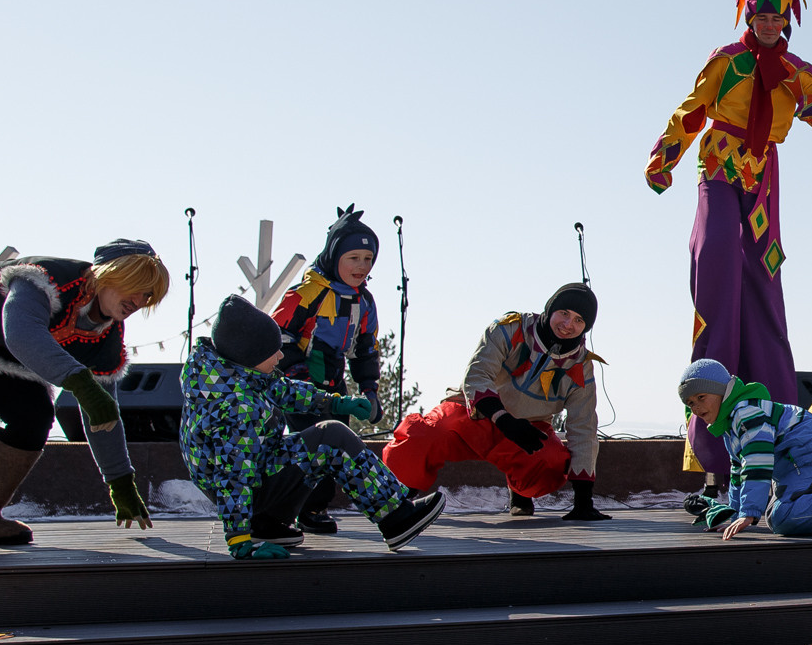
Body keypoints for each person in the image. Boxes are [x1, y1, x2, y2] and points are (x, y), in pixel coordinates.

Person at [646, 0, 812, 480]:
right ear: (749, 20)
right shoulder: (727, 60)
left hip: (762, 179)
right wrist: (663, 159)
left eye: (778, 19)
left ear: (788, 23)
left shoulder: (795, 71)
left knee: (763, 285)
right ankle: (710, 446)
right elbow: (692, 112)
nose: (770, 25)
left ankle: (777, 432)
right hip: (719, 164)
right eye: (762, 18)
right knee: (717, 262)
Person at [0, 239, 167, 544]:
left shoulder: (105, 337)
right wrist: (82, 385)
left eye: (148, 295)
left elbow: (103, 416)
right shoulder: (46, 279)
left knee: (34, 414)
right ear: (107, 274)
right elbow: (22, 334)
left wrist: (121, 482)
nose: (141, 300)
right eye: (136, 286)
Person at [181, 296, 443, 559]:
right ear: (251, 355)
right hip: (244, 490)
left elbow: (283, 390)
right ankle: (395, 516)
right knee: (331, 438)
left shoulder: (230, 376)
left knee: (314, 442)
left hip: (254, 484)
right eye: (273, 352)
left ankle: (267, 523)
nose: (281, 355)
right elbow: (233, 477)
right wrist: (239, 542)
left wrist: (337, 403)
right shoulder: (235, 406)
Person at [382, 283, 610, 521]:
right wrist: (502, 419)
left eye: (579, 321)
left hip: (526, 432)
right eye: (564, 313)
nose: (568, 325)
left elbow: (583, 426)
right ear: (550, 309)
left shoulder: (581, 366)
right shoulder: (510, 329)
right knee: (420, 435)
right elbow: (477, 375)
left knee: (551, 465)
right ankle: (399, 499)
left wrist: (584, 500)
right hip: (472, 415)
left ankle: (520, 492)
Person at [271, 205, 382, 534]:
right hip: (300, 383)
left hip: (334, 381)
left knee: (337, 443)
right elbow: (279, 336)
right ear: (335, 256)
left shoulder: (364, 301)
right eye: (354, 258)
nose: (361, 266)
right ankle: (286, 509)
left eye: (368, 258)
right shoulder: (307, 293)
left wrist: (370, 388)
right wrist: (297, 375)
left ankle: (313, 508)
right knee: (311, 445)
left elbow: (366, 348)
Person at [677, 358, 812, 538]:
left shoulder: (746, 414)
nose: (695, 407)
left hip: (811, 456)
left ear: (723, 391)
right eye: (690, 403)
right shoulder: (730, 427)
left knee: (781, 518)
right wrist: (735, 516)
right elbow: (739, 471)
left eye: (701, 397)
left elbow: (757, 463)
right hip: (792, 467)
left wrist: (749, 513)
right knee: (776, 513)